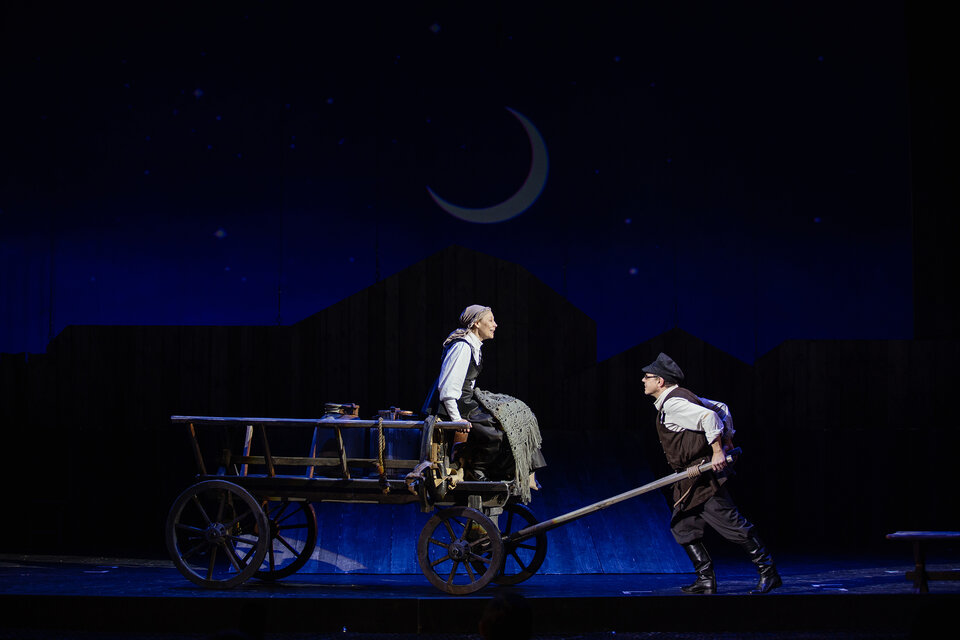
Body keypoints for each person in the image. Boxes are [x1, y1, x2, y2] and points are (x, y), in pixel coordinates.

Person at [642, 351, 781, 595]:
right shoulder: (678, 398)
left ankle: (768, 572)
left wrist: (718, 450)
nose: (644, 380)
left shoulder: (673, 404)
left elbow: (709, 416)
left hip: (704, 478)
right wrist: (727, 440)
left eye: (648, 377)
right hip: (690, 478)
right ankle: (705, 579)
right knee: (683, 526)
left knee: (733, 525)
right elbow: (721, 408)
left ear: (660, 381)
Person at [435, 305, 545, 500]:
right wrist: (456, 420)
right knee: (496, 433)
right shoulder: (462, 346)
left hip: (466, 402)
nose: (495, 324)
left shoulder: (474, 346)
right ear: (477, 323)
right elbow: (448, 388)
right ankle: (477, 471)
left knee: (513, 418)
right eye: (490, 320)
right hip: (457, 407)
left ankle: (521, 472)